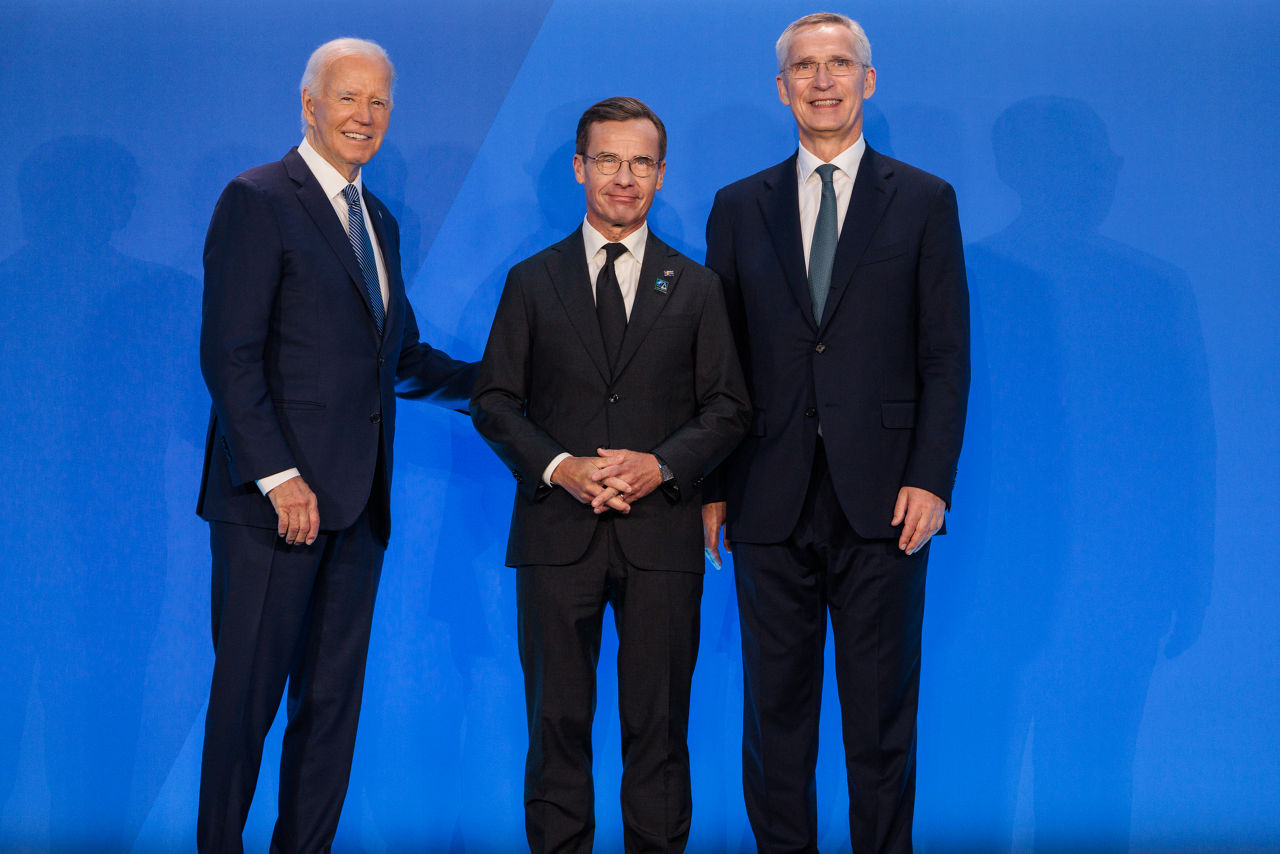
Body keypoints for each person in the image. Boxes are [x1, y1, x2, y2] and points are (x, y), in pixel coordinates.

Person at [196, 38, 476, 853]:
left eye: (379, 102)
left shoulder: (377, 218)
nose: (365, 116)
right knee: (245, 704)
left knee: (329, 712)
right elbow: (230, 355)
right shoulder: (256, 199)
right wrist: (280, 477)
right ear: (309, 104)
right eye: (348, 98)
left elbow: (400, 357)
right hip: (271, 511)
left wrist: (506, 388)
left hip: (356, 511)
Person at [702, 13, 969, 853]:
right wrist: (711, 486)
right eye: (806, 68)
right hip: (765, 499)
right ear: (782, 88)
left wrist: (931, 478)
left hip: (887, 501)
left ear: (869, 80)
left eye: (840, 64)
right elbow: (719, 367)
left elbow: (946, 356)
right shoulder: (738, 207)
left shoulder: (924, 200)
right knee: (774, 724)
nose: (824, 81)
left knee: (881, 723)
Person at [471, 96, 750, 854]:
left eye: (639, 163)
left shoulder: (695, 288)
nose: (622, 178)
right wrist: (560, 468)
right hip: (557, 537)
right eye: (607, 161)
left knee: (659, 730)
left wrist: (660, 466)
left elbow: (729, 408)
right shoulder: (531, 280)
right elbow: (493, 401)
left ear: (661, 175)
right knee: (556, 729)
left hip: (661, 539)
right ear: (578, 168)